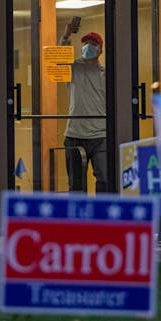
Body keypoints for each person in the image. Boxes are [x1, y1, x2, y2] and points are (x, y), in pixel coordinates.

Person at [59, 20, 107, 193]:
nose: (88, 47)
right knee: (76, 183)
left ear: (100, 50)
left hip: (101, 135)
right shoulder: (73, 68)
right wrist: (66, 35)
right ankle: (79, 219)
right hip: (75, 134)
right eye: (85, 43)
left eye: (93, 44)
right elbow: (58, 59)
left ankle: (102, 217)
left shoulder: (106, 74)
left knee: (105, 180)